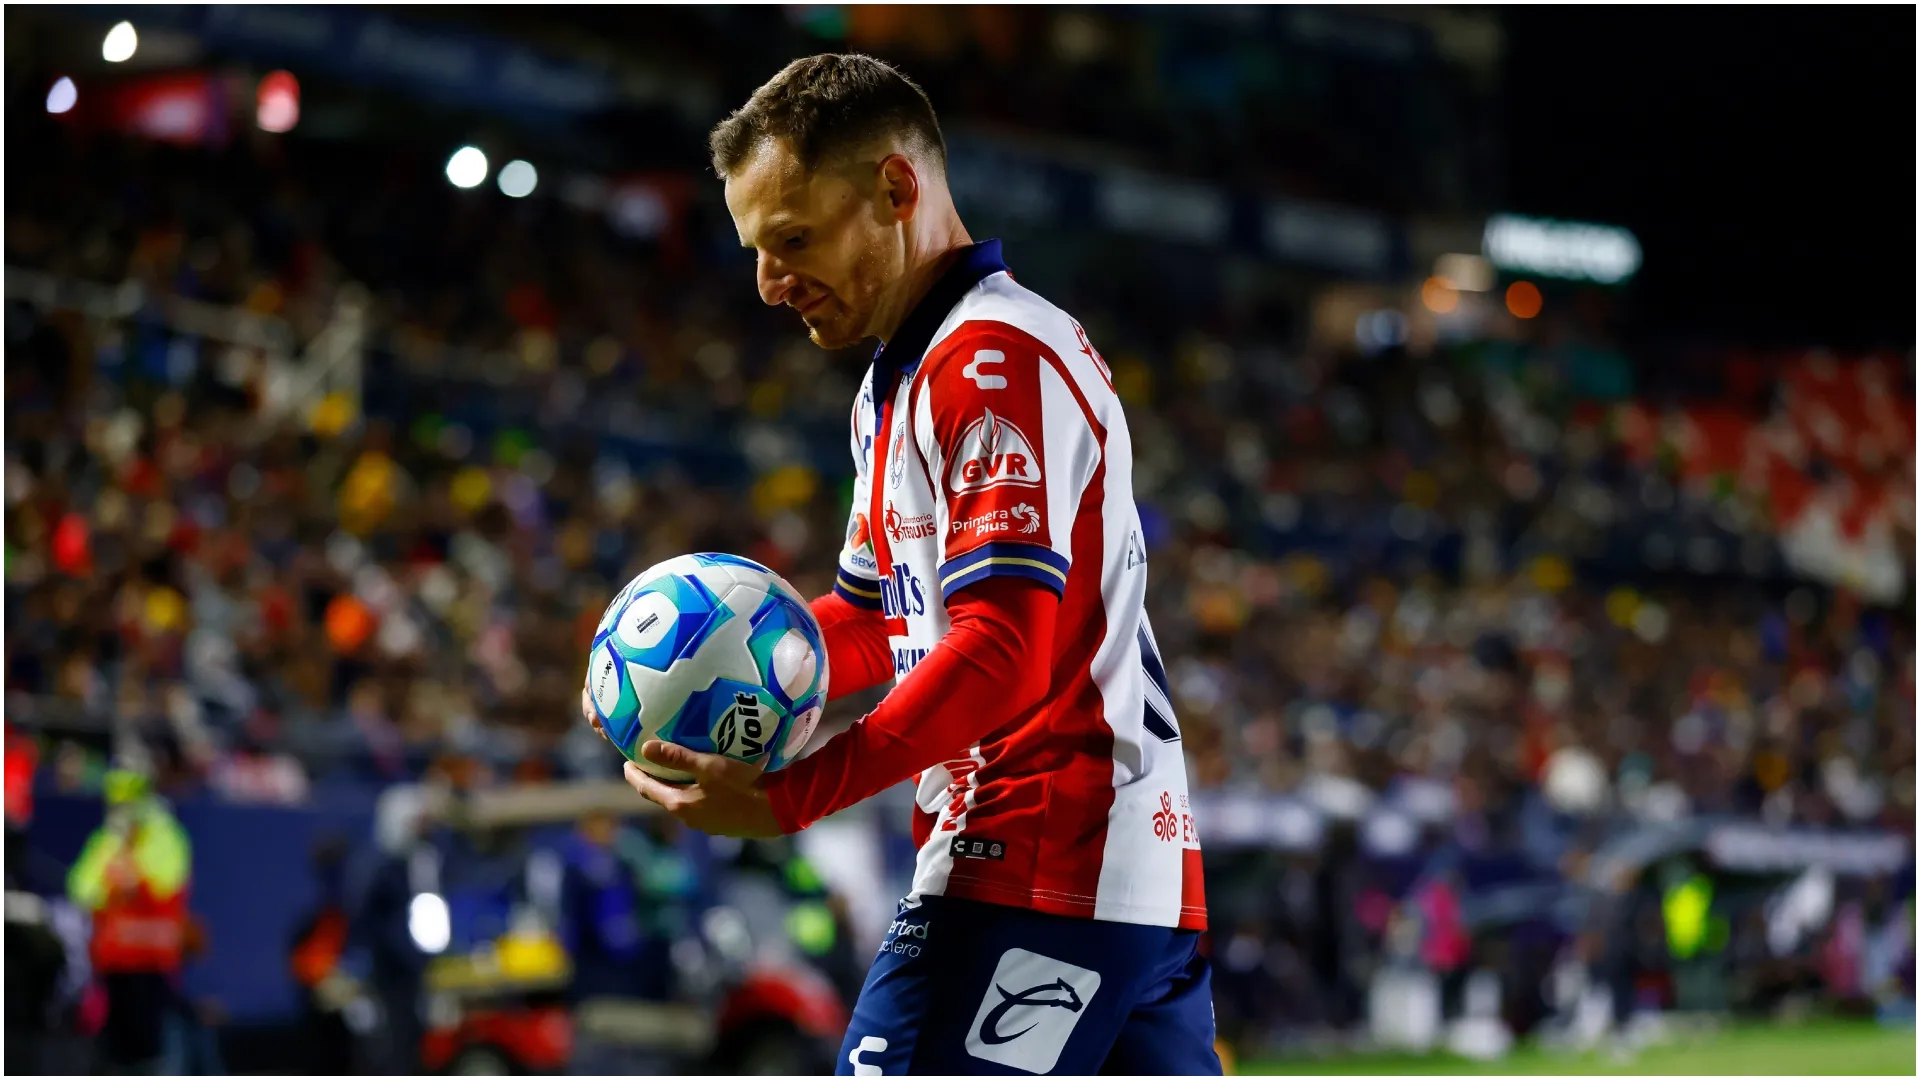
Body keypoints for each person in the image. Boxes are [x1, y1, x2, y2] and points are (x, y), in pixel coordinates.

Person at [590, 53, 1217, 1075]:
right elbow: (877, 617)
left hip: (1032, 859)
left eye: (791, 239)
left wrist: (797, 794)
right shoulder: (900, 383)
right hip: (1103, 871)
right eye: (755, 248)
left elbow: (1001, 649)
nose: (767, 282)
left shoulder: (992, 360)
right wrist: (697, 671)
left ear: (894, 189)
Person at [65, 766, 192, 1073]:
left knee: (150, 1042)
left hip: (153, 960)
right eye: (116, 803)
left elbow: (167, 881)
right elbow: (81, 888)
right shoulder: (107, 841)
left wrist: (133, 873)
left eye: (128, 802)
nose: (122, 811)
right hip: (114, 958)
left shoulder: (165, 836)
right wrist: (113, 870)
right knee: (114, 1045)